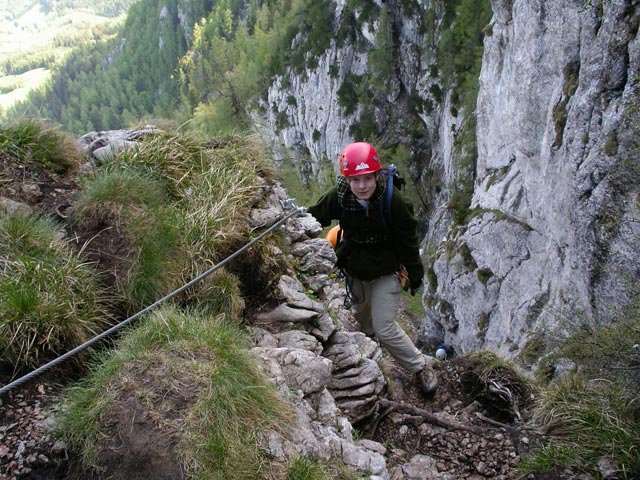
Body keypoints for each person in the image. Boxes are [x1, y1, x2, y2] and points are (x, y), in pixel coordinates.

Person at [307, 142, 438, 395]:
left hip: (387, 271)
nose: (362, 185)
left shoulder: (395, 203)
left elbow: (408, 243)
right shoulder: (341, 196)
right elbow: (315, 215)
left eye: (367, 178)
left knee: (384, 326)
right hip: (356, 269)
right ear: (347, 180)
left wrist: (415, 274)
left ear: (377, 176)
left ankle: (420, 367)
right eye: (355, 180)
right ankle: (371, 350)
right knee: (363, 320)